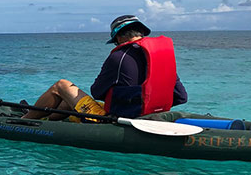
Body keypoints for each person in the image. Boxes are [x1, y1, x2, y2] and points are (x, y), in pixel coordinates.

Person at [21, 14, 187, 121]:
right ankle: (48, 120)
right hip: (151, 115)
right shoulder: (160, 57)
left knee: (61, 85)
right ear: (141, 33)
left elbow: (97, 92)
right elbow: (181, 97)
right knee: (66, 103)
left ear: (120, 37)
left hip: (116, 118)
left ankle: (25, 120)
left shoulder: (119, 56)